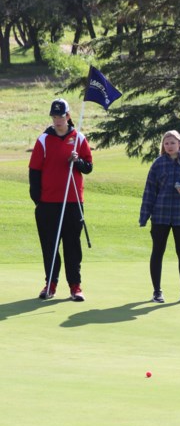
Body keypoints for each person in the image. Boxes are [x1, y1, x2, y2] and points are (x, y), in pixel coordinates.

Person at [29, 98, 93, 302]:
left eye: (61, 116)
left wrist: (78, 161)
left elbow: (88, 167)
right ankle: (51, 284)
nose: (58, 120)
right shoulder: (43, 140)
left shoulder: (79, 138)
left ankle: (75, 286)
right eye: (55, 116)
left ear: (68, 116)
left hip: (73, 201)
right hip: (48, 203)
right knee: (50, 245)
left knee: (73, 245)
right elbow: (34, 171)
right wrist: (38, 199)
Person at [138, 130, 180, 304]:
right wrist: (144, 216)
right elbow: (149, 191)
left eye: (172, 143)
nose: (169, 146)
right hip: (160, 215)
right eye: (166, 143)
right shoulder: (158, 164)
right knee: (157, 252)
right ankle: (157, 292)